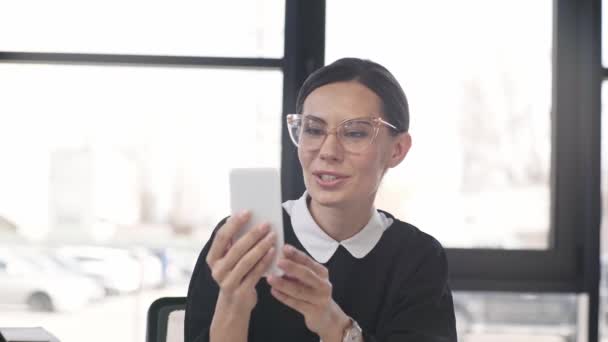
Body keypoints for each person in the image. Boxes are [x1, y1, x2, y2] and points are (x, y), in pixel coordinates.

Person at [185, 58, 457, 342]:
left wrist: (332, 322)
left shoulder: (417, 258)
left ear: (397, 149)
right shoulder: (243, 243)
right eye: (313, 130)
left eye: (354, 133)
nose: (328, 151)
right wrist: (233, 303)